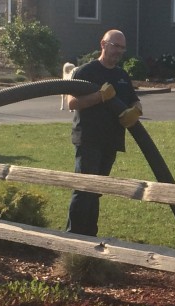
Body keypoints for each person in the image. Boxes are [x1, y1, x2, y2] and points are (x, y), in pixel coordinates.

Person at [66, 29, 143, 236]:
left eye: (122, 47)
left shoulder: (121, 75)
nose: (118, 51)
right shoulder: (86, 71)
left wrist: (137, 109)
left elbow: (133, 98)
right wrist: (99, 96)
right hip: (89, 139)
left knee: (97, 190)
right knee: (84, 189)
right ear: (103, 44)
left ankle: (90, 235)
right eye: (115, 45)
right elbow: (72, 102)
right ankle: (74, 236)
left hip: (111, 140)